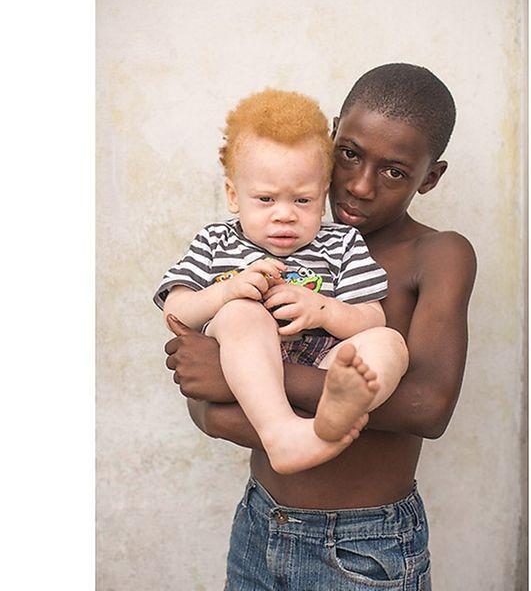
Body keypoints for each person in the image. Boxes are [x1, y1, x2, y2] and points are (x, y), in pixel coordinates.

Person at [164, 64, 477, 588]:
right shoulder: (261, 241)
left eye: (395, 171)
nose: (359, 184)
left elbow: (428, 407)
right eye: (349, 155)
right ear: (331, 137)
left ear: (430, 177)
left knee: (382, 342)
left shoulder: (437, 253)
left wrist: (246, 379)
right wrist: (221, 387)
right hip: (259, 523)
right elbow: (208, 407)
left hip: (364, 544)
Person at [155, 89, 409, 475]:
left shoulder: (341, 244)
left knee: (389, 343)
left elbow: (372, 318)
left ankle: (338, 408)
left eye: (302, 201)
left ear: (323, 198)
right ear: (233, 195)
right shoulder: (215, 241)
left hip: (322, 364)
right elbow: (176, 311)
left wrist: (322, 309)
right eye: (266, 199)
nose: (285, 215)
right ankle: (281, 434)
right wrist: (226, 291)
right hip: (249, 365)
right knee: (241, 313)